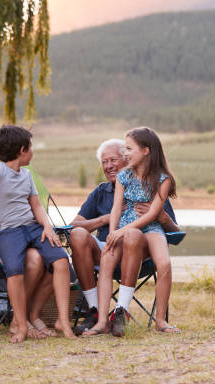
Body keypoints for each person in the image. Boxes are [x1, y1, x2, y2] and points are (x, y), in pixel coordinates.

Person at [0, 125, 75, 343]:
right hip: (8, 232)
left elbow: (37, 207)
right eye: (31, 147)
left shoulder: (26, 175)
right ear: (22, 150)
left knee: (61, 261)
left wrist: (47, 226)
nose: (32, 151)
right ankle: (19, 325)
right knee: (15, 271)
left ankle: (63, 321)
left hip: (32, 227)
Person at [70, 138, 179, 336]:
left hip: (138, 252)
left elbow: (173, 228)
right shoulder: (101, 192)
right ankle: (95, 312)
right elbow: (73, 225)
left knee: (133, 234)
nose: (109, 166)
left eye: (113, 160)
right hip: (109, 246)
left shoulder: (154, 184)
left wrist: (161, 216)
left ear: (127, 158)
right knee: (77, 234)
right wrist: (106, 220)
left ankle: (122, 311)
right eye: (104, 162)